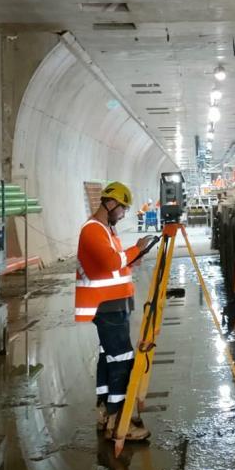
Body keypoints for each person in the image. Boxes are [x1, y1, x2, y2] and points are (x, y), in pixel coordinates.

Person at [77, 181, 158, 443]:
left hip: (112, 304)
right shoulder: (92, 230)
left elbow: (112, 266)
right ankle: (118, 421)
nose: (123, 214)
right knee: (122, 360)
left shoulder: (105, 230)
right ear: (110, 203)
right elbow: (111, 262)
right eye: (123, 208)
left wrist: (132, 259)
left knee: (109, 357)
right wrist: (137, 248)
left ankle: (104, 410)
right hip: (107, 307)